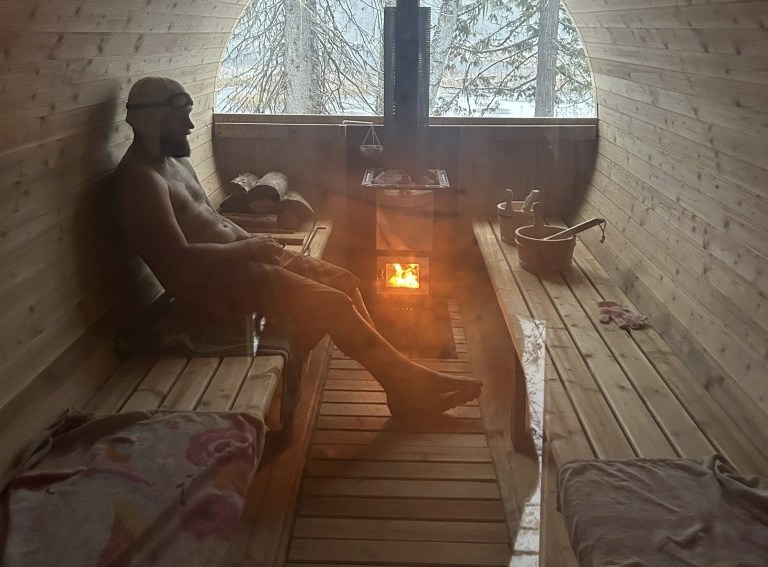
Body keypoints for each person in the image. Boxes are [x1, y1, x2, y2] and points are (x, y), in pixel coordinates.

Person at [113, 76, 481, 418]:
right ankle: (403, 386)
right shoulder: (140, 181)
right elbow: (180, 261)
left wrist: (258, 244)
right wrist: (249, 249)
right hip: (211, 286)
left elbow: (215, 221)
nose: (191, 127)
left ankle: (400, 377)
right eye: (181, 120)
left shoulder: (175, 162)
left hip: (244, 260)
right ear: (154, 122)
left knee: (346, 281)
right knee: (334, 305)